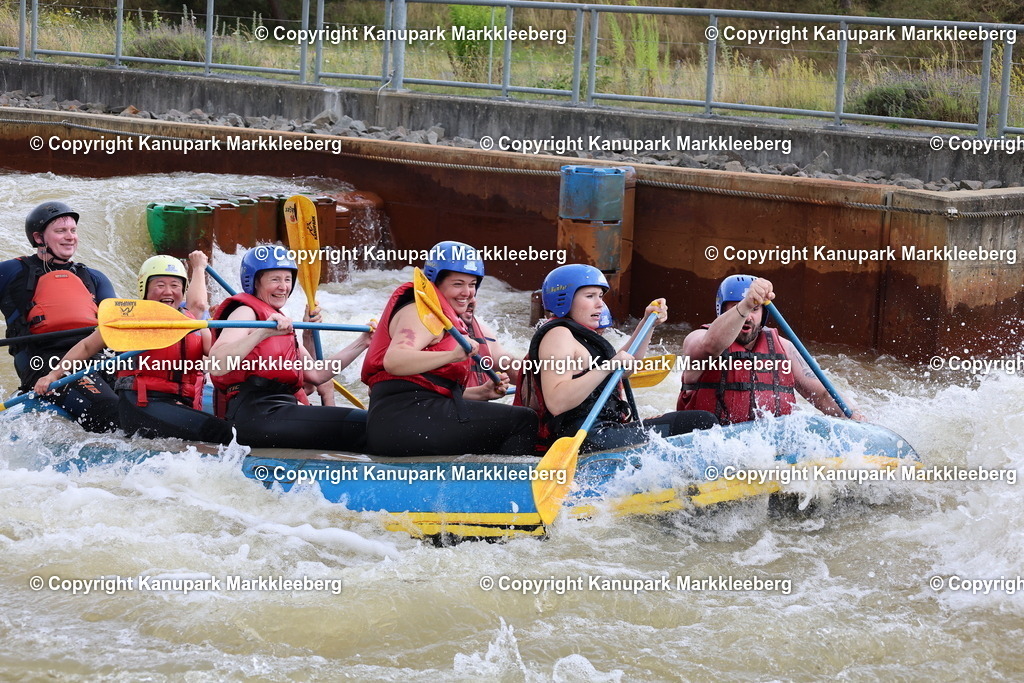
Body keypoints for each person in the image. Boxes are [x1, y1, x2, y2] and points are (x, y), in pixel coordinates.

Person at [34, 251, 235, 443]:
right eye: (160, 285)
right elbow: (87, 346)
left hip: (177, 404)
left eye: (175, 285)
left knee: (230, 427)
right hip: (143, 405)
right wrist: (52, 376)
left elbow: (219, 357)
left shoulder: (194, 324)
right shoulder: (131, 319)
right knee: (221, 432)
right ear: (145, 289)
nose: (168, 291)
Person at [361, 241, 538, 456]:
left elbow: (427, 388)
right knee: (523, 421)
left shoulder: (444, 319)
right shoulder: (421, 313)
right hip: (405, 421)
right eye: (458, 284)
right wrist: (452, 355)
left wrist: (480, 393)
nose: (468, 293)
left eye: (472, 284)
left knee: (501, 421)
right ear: (435, 282)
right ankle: (510, 485)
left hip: (405, 419)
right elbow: (394, 361)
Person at [517, 264, 717, 453]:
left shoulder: (581, 337)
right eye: (590, 296)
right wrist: (607, 367)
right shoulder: (558, 335)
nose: (600, 304)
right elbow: (557, 401)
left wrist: (648, 323)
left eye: (601, 296)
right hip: (584, 438)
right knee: (699, 422)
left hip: (604, 431)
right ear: (564, 298)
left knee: (698, 421)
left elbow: (626, 369)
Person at [208, 246, 372, 450]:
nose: (283, 287)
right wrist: (262, 332)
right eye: (275, 279)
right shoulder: (245, 312)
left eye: (287, 279)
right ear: (254, 281)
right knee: (365, 425)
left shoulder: (280, 322)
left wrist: (362, 342)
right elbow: (216, 364)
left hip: (281, 410)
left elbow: (317, 374)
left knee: (368, 423)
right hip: (256, 413)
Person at [678, 274, 865, 424]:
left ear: (764, 313)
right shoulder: (697, 340)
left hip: (770, 451)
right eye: (736, 307)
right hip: (712, 447)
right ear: (722, 311)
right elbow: (711, 346)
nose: (748, 316)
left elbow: (823, 395)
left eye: (755, 309)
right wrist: (747, 303)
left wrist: (852, 415)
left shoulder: (784, 348)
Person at [0, 201, 119, 432]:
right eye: (60, 231)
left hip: (95, 357)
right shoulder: (12, 272)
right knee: (108, 408)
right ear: (38, 238)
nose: (70, 237)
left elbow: (114, 326)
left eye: (73, 230)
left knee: (134, 400)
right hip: (45, 360)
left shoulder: (93, 277)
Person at [460, 293, 519, 389]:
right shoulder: (430, 332)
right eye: (458, 285)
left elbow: (507, 365)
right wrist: (481, 393)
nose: (472, 300)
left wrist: (543, 374)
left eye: (472, 287)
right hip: (441, 402)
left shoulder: (482, 332)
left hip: (473, 402)